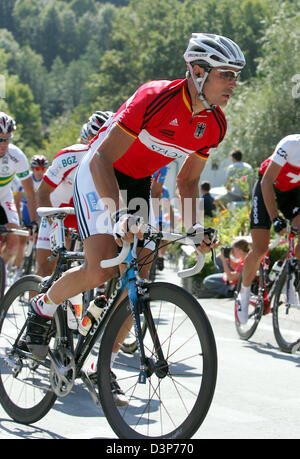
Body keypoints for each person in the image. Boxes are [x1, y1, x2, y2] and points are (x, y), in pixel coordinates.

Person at [25, 33, 245, 372]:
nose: (233, 82)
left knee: (140, 273)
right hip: (101, 171)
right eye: (225, 73)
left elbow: (186, 181)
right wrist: (118, 214)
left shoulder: (214, 124)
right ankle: (42, 304)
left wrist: (195, 227)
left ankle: (104, 367)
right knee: (99, 268)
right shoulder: (155, 97)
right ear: (198, 72)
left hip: (138, 182)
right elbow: (100, 159)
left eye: (236, 75)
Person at [36, 111, 114, 278]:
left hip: (87, 213)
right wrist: (55, 226)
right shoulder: (71, 155)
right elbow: (43, 192)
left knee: (100, 266)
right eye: (98, 136)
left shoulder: (117, 159)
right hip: (58, 211)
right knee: (45, 268)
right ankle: (36, 302)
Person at [236, 134, 300, 324]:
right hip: (267, 188)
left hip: (293, 193)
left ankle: (291, 276)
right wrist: (275, 219)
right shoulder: (291, 144)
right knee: (260, 248)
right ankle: (244, 293)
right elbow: (266, 182)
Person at [0, 112, 38, 265]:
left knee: (14, 243)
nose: (3, 144)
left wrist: (33, 222)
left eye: (7, 139)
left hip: (4, 199)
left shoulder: (17, 156)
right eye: (0, 139)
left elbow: (30, 193)